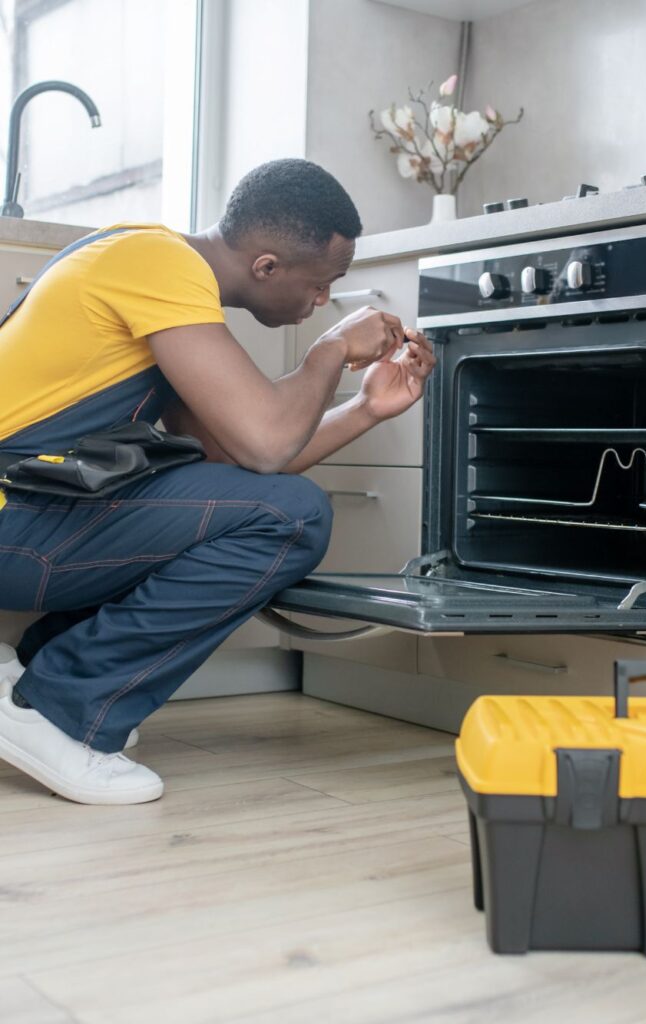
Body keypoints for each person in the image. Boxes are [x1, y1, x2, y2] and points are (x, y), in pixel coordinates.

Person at [0, 158, 435, 806]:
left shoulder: (154, 270)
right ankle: (55, 708)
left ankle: (36, 679)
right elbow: (267, 445)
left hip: (26, 511)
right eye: (321, 285)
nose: (321, 302)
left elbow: (236, 462)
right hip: (14, 515)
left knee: (252, 504)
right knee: (294, 516)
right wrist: (331, 348)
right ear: (267, 266)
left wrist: (366, 408)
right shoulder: (158, 264)